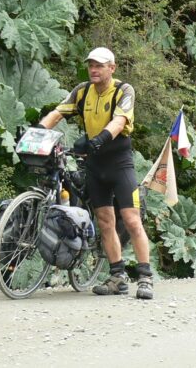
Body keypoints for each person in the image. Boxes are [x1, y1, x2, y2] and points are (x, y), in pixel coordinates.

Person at [37, 47, 154, 300]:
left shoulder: (124, 90)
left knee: (132, 220)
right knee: (104, 221)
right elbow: (58, 113)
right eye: (91, 64)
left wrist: (101, 137)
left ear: (112, 68)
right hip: (94, 164)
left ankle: (145, 278)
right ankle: (117, 277)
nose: (94, 69)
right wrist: (37, 132)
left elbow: (120, 121)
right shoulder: (82, 91)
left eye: (99, 65)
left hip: (119, 163)